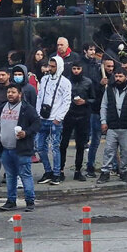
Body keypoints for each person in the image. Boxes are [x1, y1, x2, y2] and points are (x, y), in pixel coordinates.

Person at [0, 84, 41, 212]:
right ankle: (11, 201)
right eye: (9, 92)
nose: (10, 94)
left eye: (13, 92)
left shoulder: (26, 108)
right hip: (5, 149)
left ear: (20, 94)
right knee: (10, 176)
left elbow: (37, 123)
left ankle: (30, 201)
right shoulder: (2, 107)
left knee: (25, 175)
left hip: (21, 150)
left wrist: (26, 132)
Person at [97, 66, 127, 184]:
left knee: (126, 151)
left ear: (126, 77)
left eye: (120, 76)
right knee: (109, 150)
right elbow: (104, 106)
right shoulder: (109, 88)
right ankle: (105, 172)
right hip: (112, 126)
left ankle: (124, 172)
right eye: (116, 76)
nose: (118, 78)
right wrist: (103, 122)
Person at [35, 56, 72, 185]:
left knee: (55, 148)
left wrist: (58, 118)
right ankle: (48, 171)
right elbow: (39, 97)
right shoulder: (44, 79)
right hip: (42, 118)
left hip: (55, 120)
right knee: (39, 146)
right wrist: (38, 114)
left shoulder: (65, 82)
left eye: (53, 66)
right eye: (49, 66)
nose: (50, 68)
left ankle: (57, 173)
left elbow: (67, 101)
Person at [59, 61, 96, 181]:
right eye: (74, 68)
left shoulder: (88, 82)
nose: (76, 71)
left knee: (80, 145)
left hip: (83, 116)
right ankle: (60, 170)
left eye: (78, 69)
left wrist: (85, 101)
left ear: (82, 69)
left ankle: (78, 170)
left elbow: (94, 99)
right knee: (63, 144)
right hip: (68, 115)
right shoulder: (65, 81)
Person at [86, 57, 114, 178]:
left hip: (111, 114)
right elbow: (92, 94)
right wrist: (99, 85)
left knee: (113, 141)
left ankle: (114, 166)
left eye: (112, 66)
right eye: (108, 66)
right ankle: (90, 166)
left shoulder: (115, 78)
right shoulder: (95, 77)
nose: (110, 69)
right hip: (97, 112)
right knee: (95, 141)